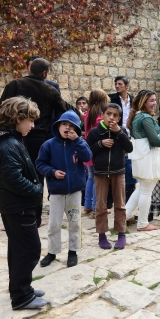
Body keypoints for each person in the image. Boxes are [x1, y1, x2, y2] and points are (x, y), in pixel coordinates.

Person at [0, 97, 48, 310]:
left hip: (13, 205)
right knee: (29, 249)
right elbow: (13, 179)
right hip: (18, 207)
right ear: (17, 118)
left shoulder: (9, 139)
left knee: (17, 248)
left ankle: (21, 288)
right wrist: (37, 190)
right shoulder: (9, 144)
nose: (32, 125)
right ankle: (22, 297)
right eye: (30, 120)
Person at [0, 58, 78, 190]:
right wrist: (82, 114)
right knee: (36, 173)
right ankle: (35, 202)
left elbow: (0, 110)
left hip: (12, 136)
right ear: (44, 73)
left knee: (13, 169)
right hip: (38, 139)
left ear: (29, 69)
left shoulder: (14, 84)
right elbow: (65, 107)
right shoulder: (50, 89)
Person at [36, 110, 92, 267]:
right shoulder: (49, 145)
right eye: (64, 124)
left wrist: (78, 141)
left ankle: (73, 251)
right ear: (58, 126)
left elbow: (87, 157)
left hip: (74, 191)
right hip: (56, 192)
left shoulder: (79, 143)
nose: (68, 128)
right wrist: (52, 172)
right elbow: (40, 164)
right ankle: (52, 252)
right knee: (54, 223)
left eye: (72, 126)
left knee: (74, 222)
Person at [87, 103, 133, 249]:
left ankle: (121, 234)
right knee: (100, 205)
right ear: (103, 114)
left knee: (120, 204)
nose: (111, 117)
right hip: (100, 173)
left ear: (119, 118)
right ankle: (102, 235)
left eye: (115, 115)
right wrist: (100, 144)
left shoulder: (122, 131)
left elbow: (129, 148)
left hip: (118, 172)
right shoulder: (95, 132)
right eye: (109, 114)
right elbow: (87, 151)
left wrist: (119, 132)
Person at [125, 89, 160, 232]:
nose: (154, 103)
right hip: (148, 156)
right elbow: (155, 140)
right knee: (146, 191)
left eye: (155, 100)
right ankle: (142, 223)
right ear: (143, 102)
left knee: (142, 188)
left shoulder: (137, 116)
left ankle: (125, 214)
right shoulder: (146, 118)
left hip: (140, 156)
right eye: (151, 100)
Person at [109, 76, 137, 204]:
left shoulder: (133, 100)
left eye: (120, 84)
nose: (117, 86)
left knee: (131, 162)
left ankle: (129, 196)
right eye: (115, 84)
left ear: (127, 86)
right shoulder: (112, 99)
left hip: (132, 135)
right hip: (117, 133)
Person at [83, 89, 110, 214]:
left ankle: (87, 204)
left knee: (90, 177)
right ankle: (96, 207)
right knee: (97, 179)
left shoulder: (88, 114)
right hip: (98, 150)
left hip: (88, 149)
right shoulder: (100, 116)